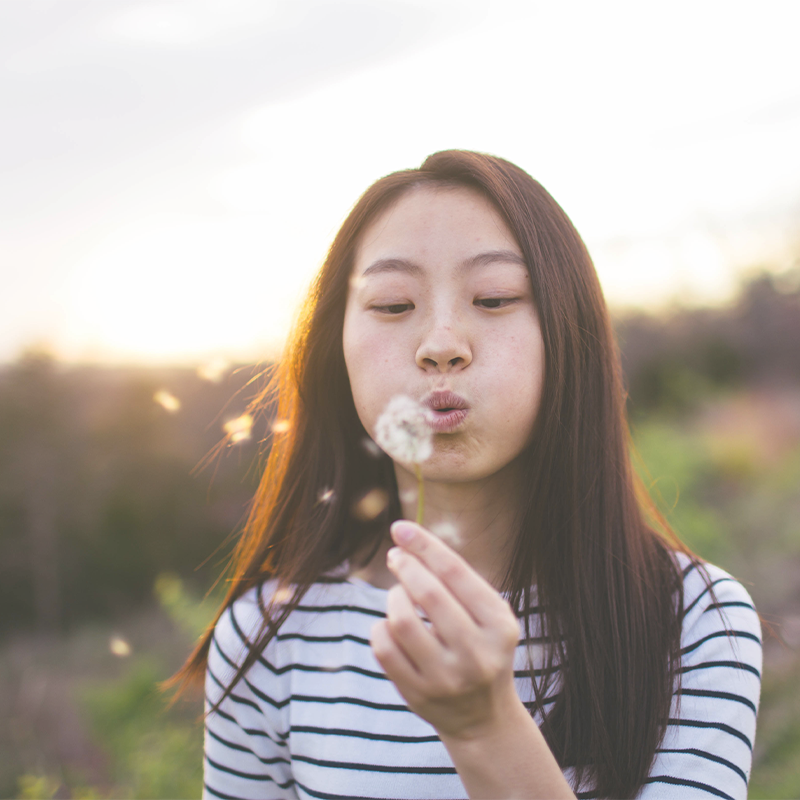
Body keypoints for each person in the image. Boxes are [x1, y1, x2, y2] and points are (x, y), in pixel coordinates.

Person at [168, 150, 762, 799]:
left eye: (494, 297)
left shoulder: (696, 619)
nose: (441, 343)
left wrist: (485, 729)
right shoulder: (270, 636)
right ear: (334, 347)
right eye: (394, 305)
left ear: (570, 335)